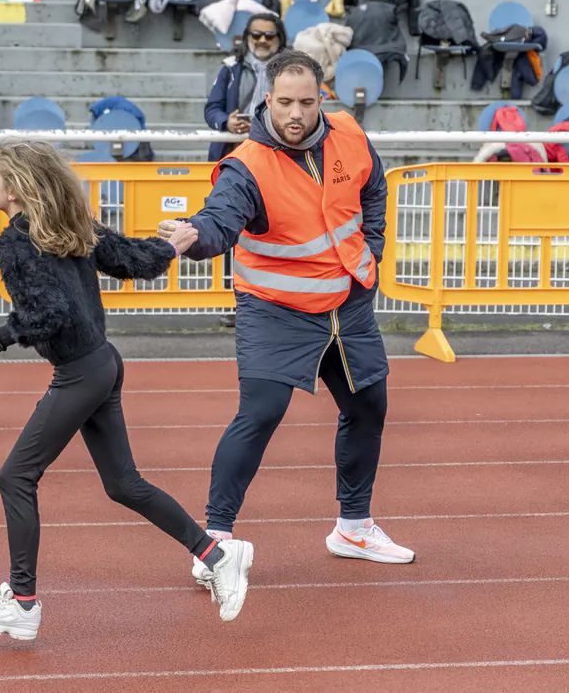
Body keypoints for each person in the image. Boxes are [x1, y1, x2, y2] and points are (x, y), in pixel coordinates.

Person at [0, 140, 255, 641]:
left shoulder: (15, 241)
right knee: (123, 484)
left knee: (15, 478)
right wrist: (174, 244)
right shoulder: (72, 227)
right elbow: (135, 260)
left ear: (17, 187)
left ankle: (23, 604)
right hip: (103, 363)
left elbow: (49, 314)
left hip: (81, 373)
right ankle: (218, 555)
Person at [159, 50, 415, 584]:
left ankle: (354, 526)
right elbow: (220, 218)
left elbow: (373, 189)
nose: (295, 114)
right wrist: (196, 237)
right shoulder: (246, 165)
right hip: (277, 309)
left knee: (369, 407)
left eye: (305, 101)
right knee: (261, 413)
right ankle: (217, 544)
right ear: (267, 101)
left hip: (347, 302)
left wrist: (373, 246)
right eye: (284, 103)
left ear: (322, 97)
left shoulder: (349, 133)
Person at [204, 14, 286, 163]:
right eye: (256, 35)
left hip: (277, 153)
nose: (262, 40)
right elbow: (212, 110)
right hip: (234, 152)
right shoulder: (230, 68)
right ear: (247, 37)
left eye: (269, 36)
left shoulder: (292, 71)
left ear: (280, 38)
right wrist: (226, 122)